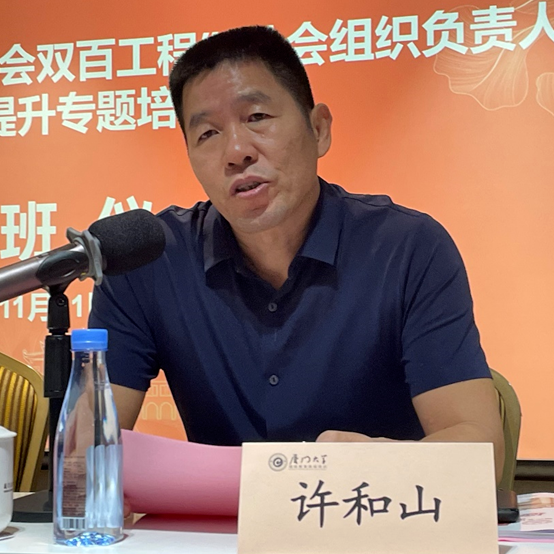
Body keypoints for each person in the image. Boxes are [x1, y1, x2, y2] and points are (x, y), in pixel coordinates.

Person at [89, 25, 504, 480]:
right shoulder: (147, 262)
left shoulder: (407, 248)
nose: (236, 152)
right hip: (219, 523)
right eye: (207, 133)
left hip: (369, 513)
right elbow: (87, 451)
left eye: (257, 117)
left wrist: (379, 463)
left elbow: (480, 447)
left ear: (319, 129)